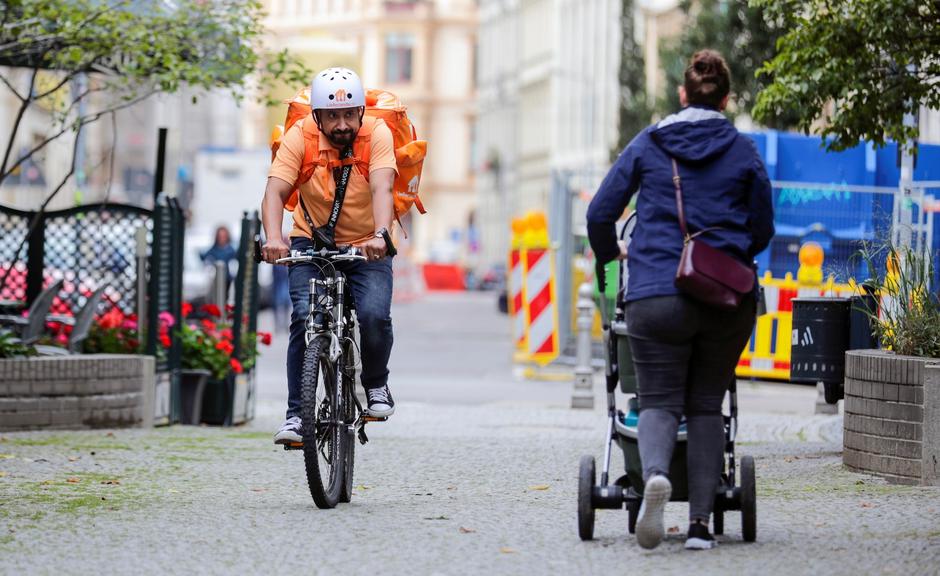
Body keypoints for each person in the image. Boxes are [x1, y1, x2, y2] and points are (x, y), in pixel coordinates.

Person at [586, 49, 774, 551]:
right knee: (708, 405)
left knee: (659, 400)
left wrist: (616, 258)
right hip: (724, 299)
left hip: (654, 292)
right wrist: (729, 259)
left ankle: (652, 479)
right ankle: (699, 526)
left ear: (682, 94)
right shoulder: (743, 150)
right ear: (727, 99)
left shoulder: (650, 143)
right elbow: (763, 228)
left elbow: (600, 214)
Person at [260, 67, 398, 446]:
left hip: (368, 241)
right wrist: (274, 237)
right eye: (333, 116)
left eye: (350, 114)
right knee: (305, 317)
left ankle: (376, 386)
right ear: (317, 116)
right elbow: (274, 192)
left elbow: (384, 187)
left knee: (373, 314)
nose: (342, 124)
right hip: (310, 240)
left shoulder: (378, 136)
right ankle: (295, 417)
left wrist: (382, 235)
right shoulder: (299, 137)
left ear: (361, 113)